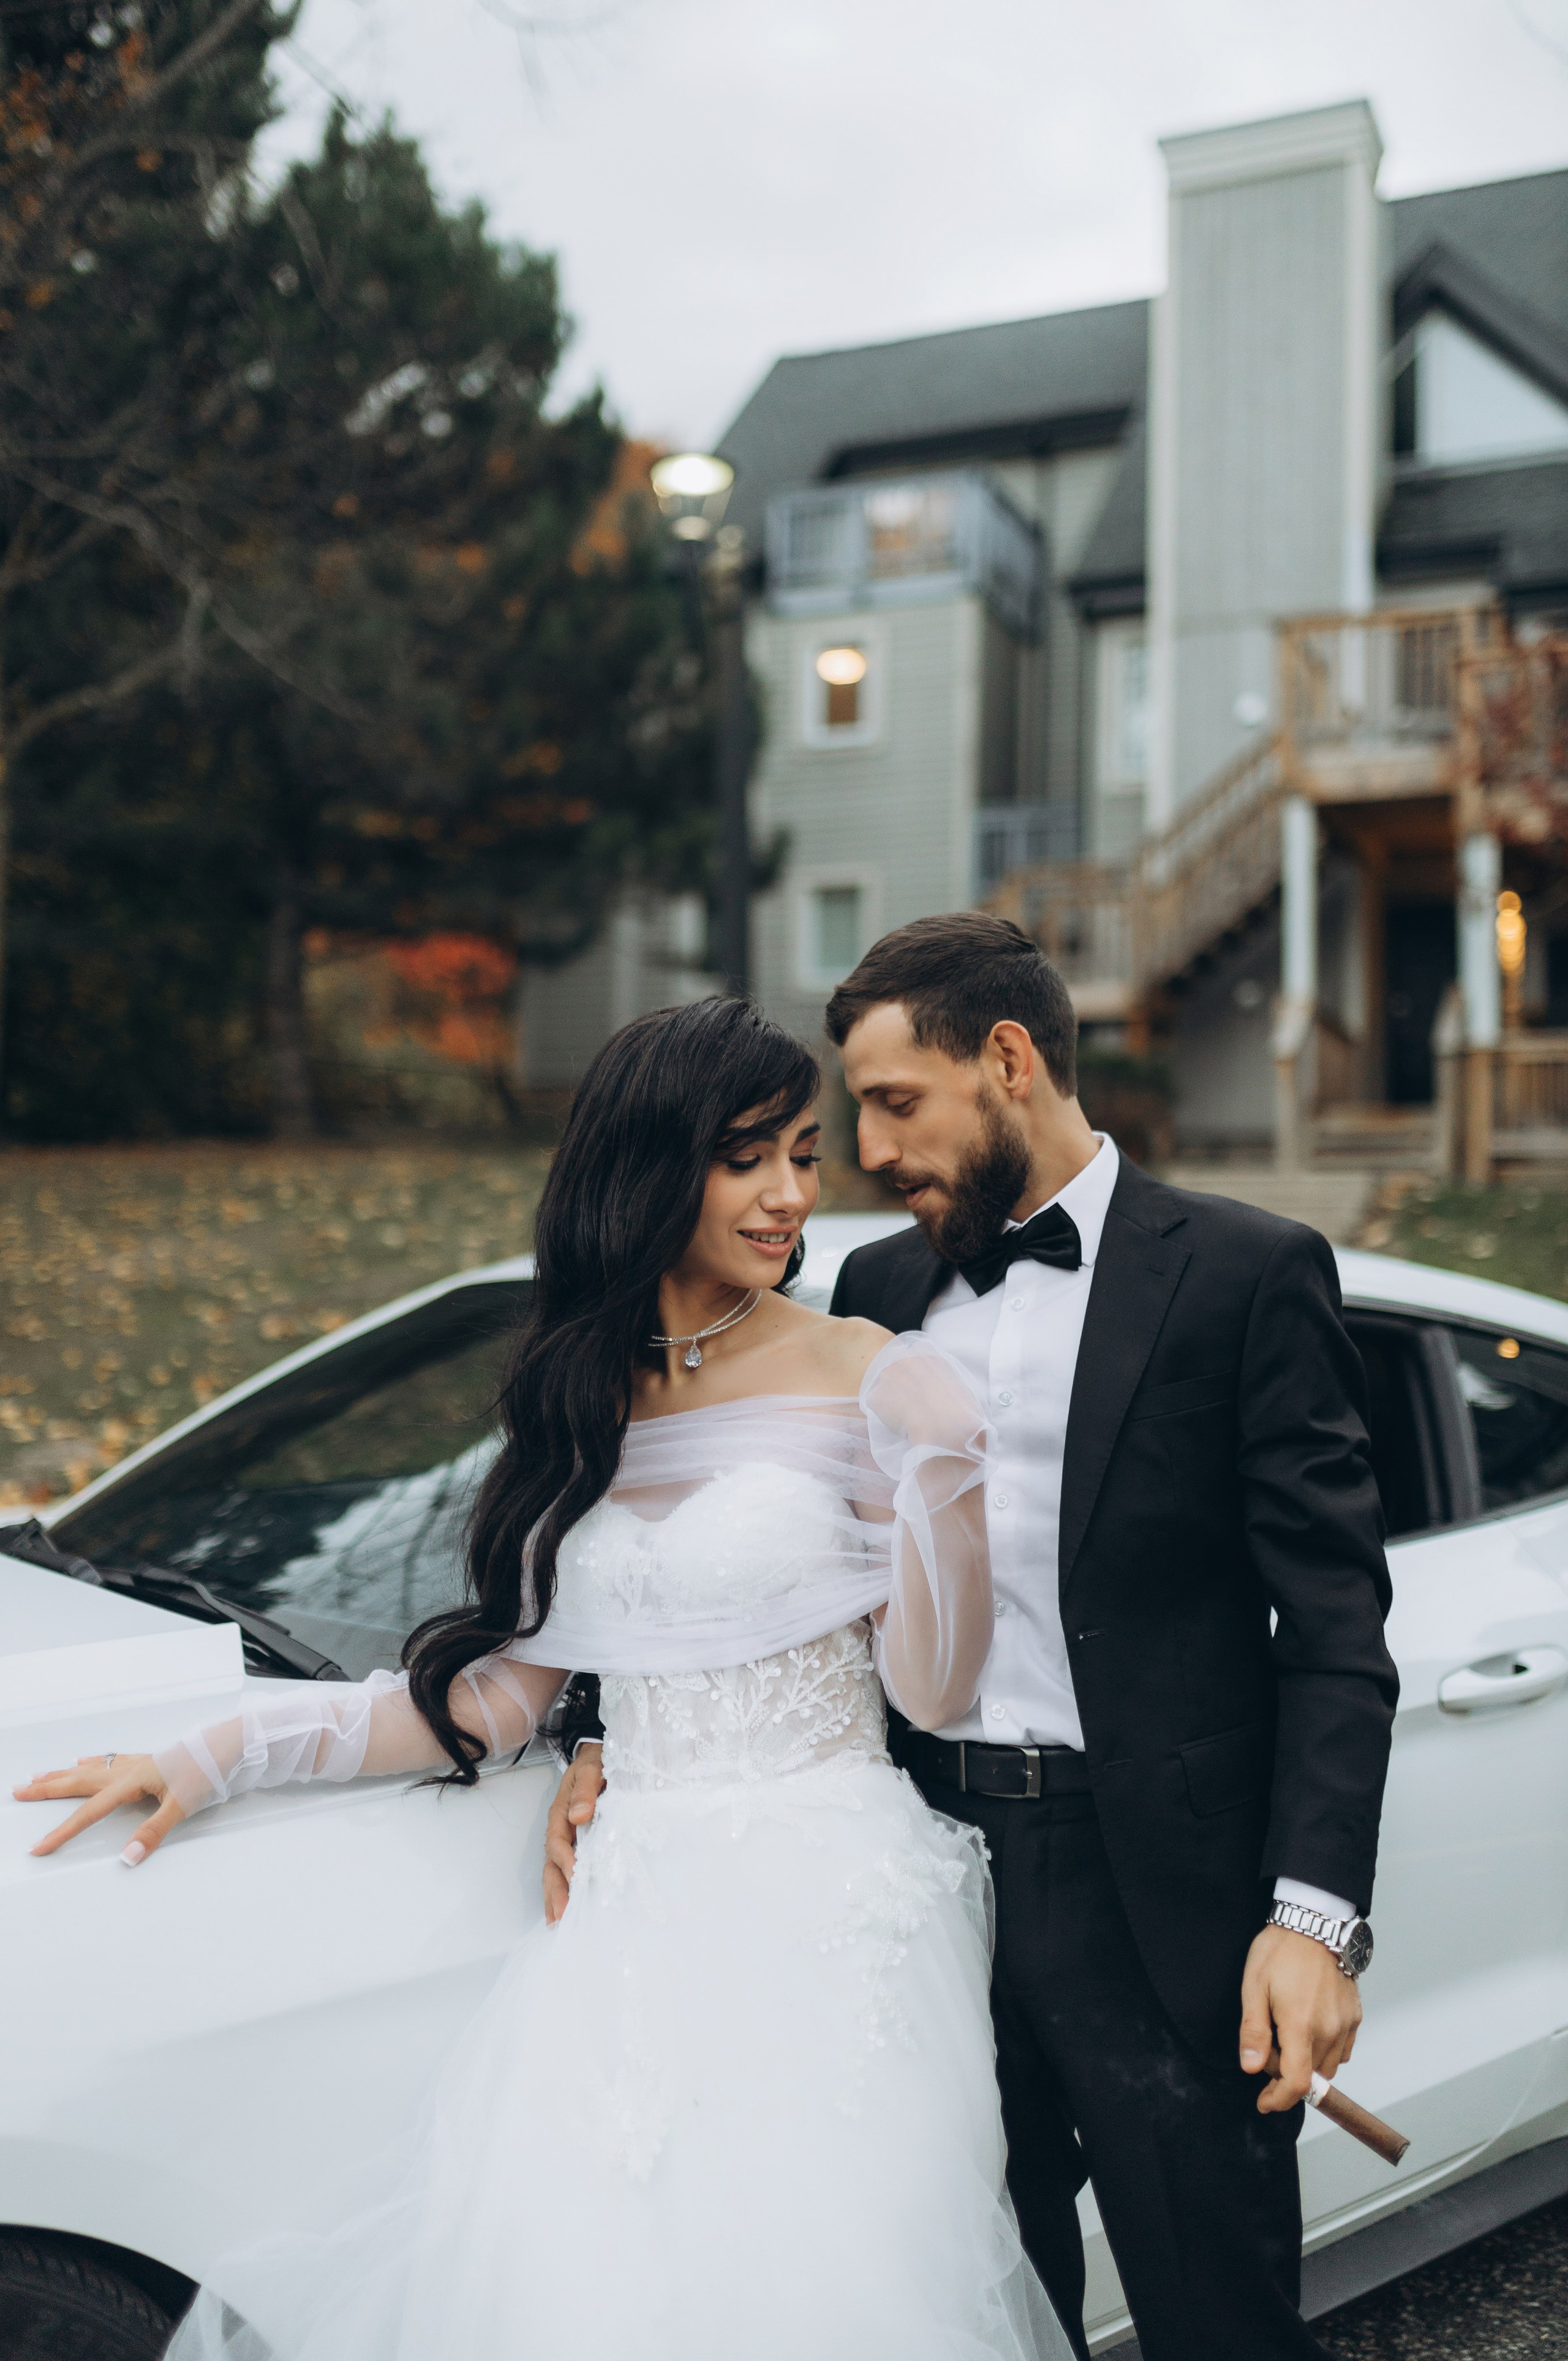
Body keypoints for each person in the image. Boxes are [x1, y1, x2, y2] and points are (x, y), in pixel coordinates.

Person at [17, 995, 1074, 2361]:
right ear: (648, 1166)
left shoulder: (864, 1373)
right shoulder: (579, 1395)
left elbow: (931, 1690)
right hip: (628, 1925)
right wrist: (214, 1753)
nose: (790, 1194)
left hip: (832, 1916)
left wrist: (942, 1480)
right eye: (746, 1157)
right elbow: (495, 1698)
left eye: (804, 1155)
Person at [548, 914, 1398, 2361]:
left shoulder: (1243, 1272)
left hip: (1152, 1892)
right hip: (907, 1879)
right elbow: (721, 1534)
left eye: (893, 1102)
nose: (868, 1152)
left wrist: (1311, 1919)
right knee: (968, 2308)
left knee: (1216, 2316)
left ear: (1006, 1060)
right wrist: (592, 1726)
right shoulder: (874, 1294)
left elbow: (1333, 1626)